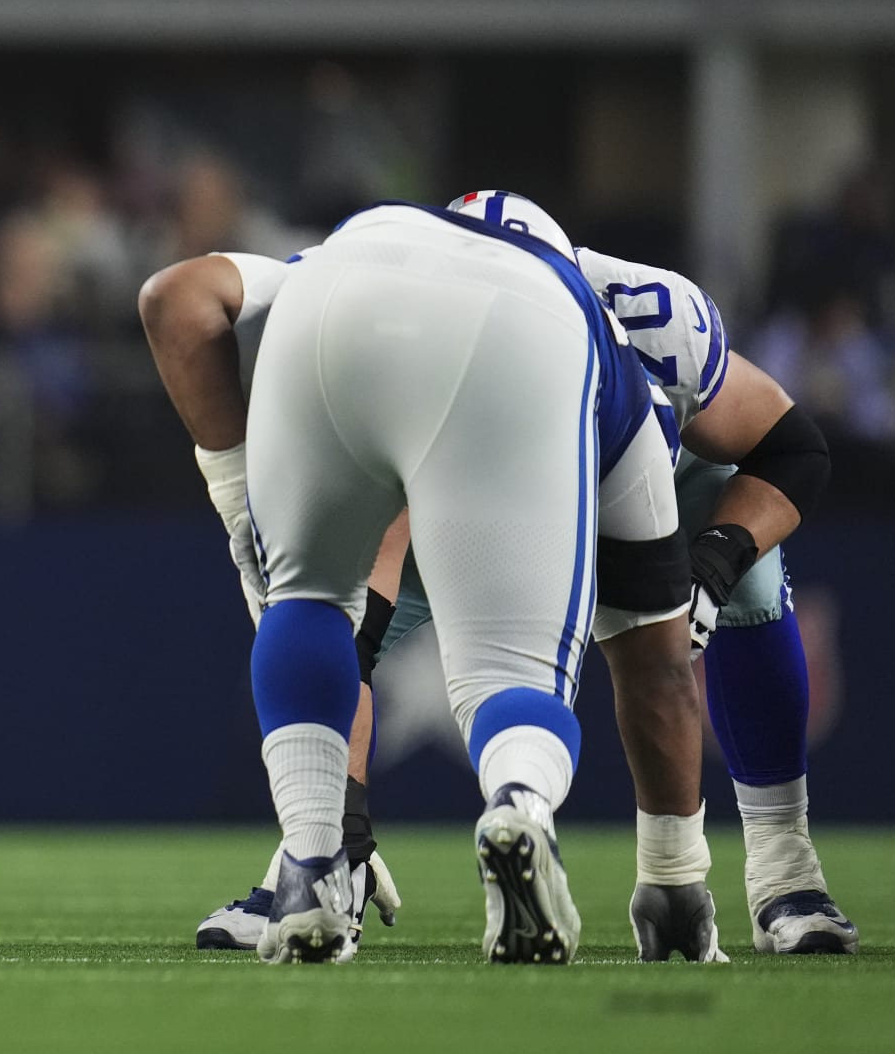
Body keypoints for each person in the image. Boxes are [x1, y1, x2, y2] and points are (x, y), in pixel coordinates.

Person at [188, 200, 856, 958]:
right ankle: (335, 860)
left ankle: (783, 870)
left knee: (752, 588)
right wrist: (348, 820)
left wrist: (719, 556)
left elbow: (795, 447)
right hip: (471, 487)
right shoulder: (413, 302)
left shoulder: (639, 311)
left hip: (637, 475)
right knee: (375, 638)